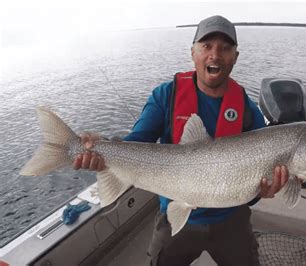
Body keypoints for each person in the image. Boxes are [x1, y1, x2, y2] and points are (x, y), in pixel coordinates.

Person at [73, 15, 288, 266]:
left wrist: (263, 191)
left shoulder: (247, 109)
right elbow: (137, 141)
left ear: (235, 57)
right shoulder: (166, 96)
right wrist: (102, 148)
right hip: (175, 212)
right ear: (193, 52)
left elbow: (256, 187)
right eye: (206, 46)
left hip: (231, 219)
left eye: (225, 48)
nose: (215, 55)